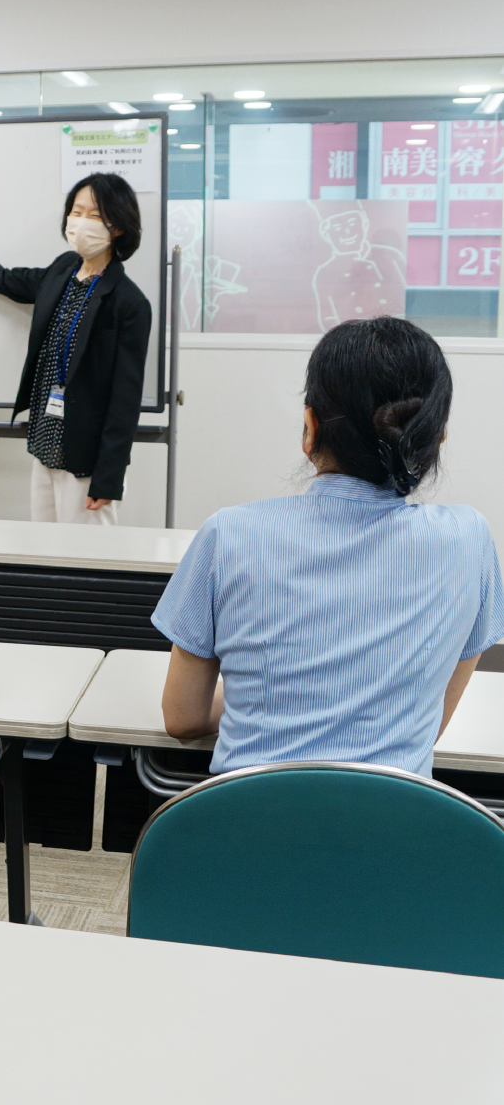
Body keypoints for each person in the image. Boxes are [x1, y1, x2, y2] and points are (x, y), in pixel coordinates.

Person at [154, 317, 504, 776]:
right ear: (434, 438)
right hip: (395, 839)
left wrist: (264, 702)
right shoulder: (470, 539)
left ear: (309, 428)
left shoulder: (229, 534)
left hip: (247, 836)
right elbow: (428, 718)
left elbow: (183, 718)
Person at [0, 173, 151, 524]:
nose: (80, 222)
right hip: (45, 442)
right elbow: (2, 278)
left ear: (119, 227)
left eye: (94, 216)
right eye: (76, 211)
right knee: (43, 556)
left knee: (83, 563)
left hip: (86, 457)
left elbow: (125, 399)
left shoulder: (129, 302)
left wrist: (108, 477)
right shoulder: (62, 270)